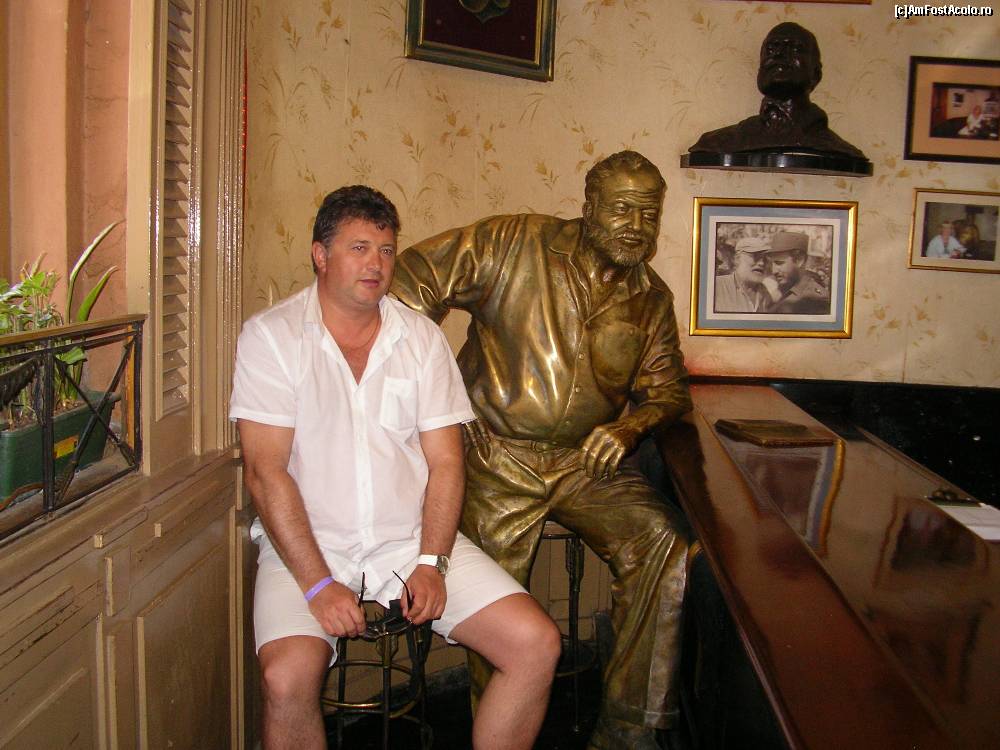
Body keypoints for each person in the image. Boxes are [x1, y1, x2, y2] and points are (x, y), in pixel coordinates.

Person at [230, 185, 561, 750]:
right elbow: (266, 472)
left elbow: (446, 463)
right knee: (285, 679)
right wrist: (318, 585)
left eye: (386, 250)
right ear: (320, 255)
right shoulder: (272, 337)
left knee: (535, 644)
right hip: (307, 544)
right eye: (359, 248)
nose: (376, 264)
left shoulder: (421, 339)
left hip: (409, 541)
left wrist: (432, 562)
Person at [391, 151, 692, 750]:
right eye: (622, 209)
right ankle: (496, 735)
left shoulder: (650, 297)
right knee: (499, 599)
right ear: (589, 208)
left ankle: (627, 730)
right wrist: (436, 400)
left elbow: (669, 391)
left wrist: (631, 428)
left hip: (587, 465)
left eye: (649, 213)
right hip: (496, 458)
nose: (636, 226)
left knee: (663, 542)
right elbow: (411, 281)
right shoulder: (514, 242)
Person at [688, 22, 868, 161]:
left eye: (795, 49)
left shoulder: (837, 148)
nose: (779, 54)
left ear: (816, 74)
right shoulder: (718, 141)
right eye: (771, 48)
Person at [763, 231, 831, 315]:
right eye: (771, 264)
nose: (774, 271)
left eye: (779, 263)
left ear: (799, 260)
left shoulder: (817, 300)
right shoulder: (781, 291)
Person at [714, 235, 770, 312]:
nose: (762, 263)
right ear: (737, 259)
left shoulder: (767, 295)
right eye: (756, 257)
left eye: (765, 259)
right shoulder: (717, 286)